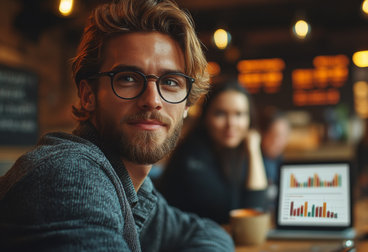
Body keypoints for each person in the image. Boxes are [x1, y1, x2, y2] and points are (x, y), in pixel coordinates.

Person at [0, 0, 233, 251]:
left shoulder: (132, 186)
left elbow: (207, 231)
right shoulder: (70, 176)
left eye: (170, 82)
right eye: (128, 79)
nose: (152, 100)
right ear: (88, 95)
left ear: (187, 105)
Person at [157, 80, 268, 224]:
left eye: (239, 114)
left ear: (249, 119)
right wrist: (254, 152)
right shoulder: (192, 155)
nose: (231, 124)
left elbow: (258, 209)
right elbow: (244, 215)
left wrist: (253, 151)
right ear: (206, 118)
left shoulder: (236, 152)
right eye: (221, 114)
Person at [259, 106, 291, 186]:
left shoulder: (280, 160)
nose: (281, 142)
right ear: (262, 134)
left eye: (284, 136)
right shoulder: (252, 163)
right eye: (276, 136)